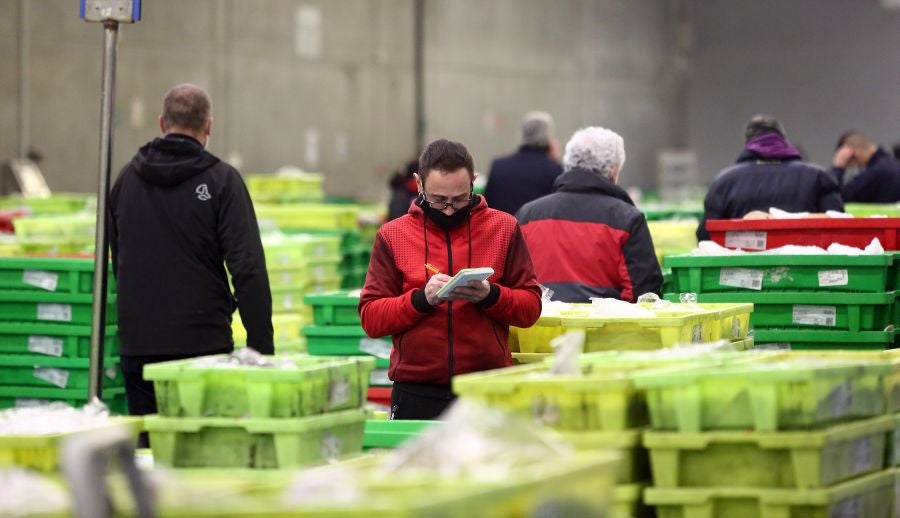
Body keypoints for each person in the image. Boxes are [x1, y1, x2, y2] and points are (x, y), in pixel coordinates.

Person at [109, 84, 273, 435]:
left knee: (149, 458)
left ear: (161, 122)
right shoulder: (222, 181)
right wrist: (261, 347)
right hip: (202, 349)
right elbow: (247, 268)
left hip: (139, 347)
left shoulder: (126, 180)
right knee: (200, 453)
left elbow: (117, 259)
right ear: (208, 127)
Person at [358, 138, 542, 420]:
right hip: (416, 391)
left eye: (459, 199)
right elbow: (371, 317)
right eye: (438, 199)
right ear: (418, 184)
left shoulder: (503, 229)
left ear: (474, 183)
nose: (448, 210)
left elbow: (530, 307)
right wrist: (422, 299)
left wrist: (490, 296)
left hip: (486, 388)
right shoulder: (393, 235)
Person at [516, 127, 662, 303]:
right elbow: (643, 296)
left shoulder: (526, 215)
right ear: (614, 171)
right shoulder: (628, 219)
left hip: (537, 327)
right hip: (604, 329)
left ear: (569, 165)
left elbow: (513, 283)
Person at [696, 115, 843, 241]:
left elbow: (705, 235)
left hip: (744, 270)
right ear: (783, 139)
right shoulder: (819, 176)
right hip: (807, 268)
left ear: (747, 143)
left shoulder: (724, 181)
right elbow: (840, 226)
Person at [484, 111, 563, 215]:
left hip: (502, 229)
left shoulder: (498, 166)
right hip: (535, 230)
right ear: (547, 136)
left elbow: (488, 205)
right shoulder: (555, 170)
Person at [830, 131, 900, 203]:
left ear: (852, 152)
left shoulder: (875, 172)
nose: (856, 166)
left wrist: (838, 167)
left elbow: (838, 198)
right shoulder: (893, 164)